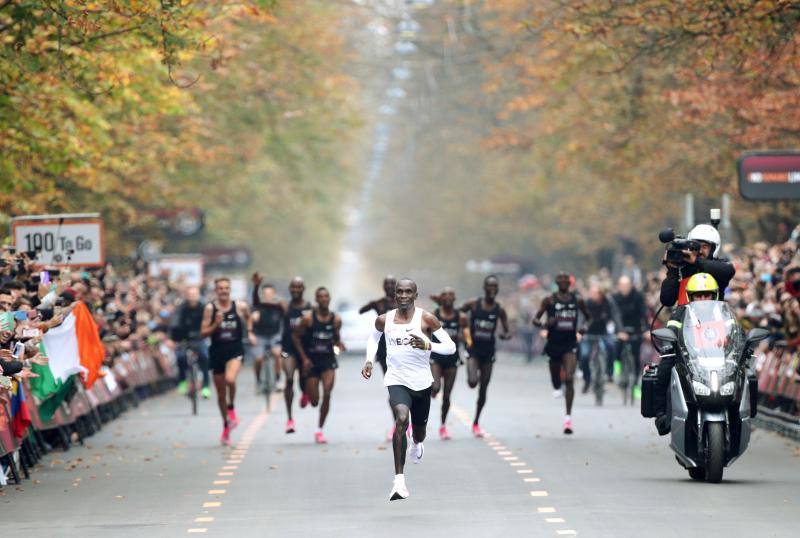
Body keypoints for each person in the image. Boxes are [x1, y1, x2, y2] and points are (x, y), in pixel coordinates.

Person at [361, 278, 455, 500]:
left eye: (407, 292)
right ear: (394, 295)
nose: (403, 296)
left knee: (419, 432)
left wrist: (428, 345)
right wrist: (368, 360)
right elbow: (374, 338)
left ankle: (417, 443)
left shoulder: (427, 319)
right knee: (401, 419)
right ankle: (399, 482)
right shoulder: (385, 320)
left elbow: (450, 348)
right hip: (397, 379)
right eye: (399, 292)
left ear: (415, 295)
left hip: (422, 383)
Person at [653, 273, 719, 435]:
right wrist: (668, 344)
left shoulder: (721, 313)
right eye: (699, 296)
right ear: (691, 297)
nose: (703, 299)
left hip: (718, 359)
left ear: (715, 295)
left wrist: (743, 344)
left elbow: (735, 333)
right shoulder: (680, 313)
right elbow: (671, 330)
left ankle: (741, 412)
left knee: (746, 374)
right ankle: (662, 415)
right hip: (688, 359)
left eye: (707, 295)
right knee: (664, 370)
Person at [533, 272, 591, 434]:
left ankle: (568, 419)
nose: (564, 282)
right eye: (561, 280)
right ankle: (557, 385)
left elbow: (589, 318)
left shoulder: (577, 300)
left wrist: (583, 330)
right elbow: (535, 320)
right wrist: (544, 326)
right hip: (553, 344)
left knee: (570, 378)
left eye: (567, 280)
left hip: (570, 343)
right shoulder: (549, 300)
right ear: (557, 282)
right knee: (556, 382)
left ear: (570, 283)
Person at [200, 277, 256, 445]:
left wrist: (251, 332)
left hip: (235, 350)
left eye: (226, 288)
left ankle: (231, 409)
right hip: (217, 351)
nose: (223, 291)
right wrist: (215, 325)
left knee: (230, 379)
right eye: (220, 288)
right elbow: (203, 333)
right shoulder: (210, 309)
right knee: (220, 394)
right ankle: (226, 426)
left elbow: (249, 317)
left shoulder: (239, 306)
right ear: (216, 291)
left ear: (230, 290)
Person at [252, 275, 311, 434]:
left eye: (299, 287)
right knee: (290, 380)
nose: (296, 290)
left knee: (304, 381)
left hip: (305, 349)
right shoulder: (284, 306)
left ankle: (305, 393)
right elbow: (257, 303)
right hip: (288, 347)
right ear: (290, 289)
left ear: (303, 289)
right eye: (293, 287)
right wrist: (256, 287)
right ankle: (290, 420)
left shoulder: (309, 307)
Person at [459, 275, 511, 437]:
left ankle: (476, 422)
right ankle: (472, 379)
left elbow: (507, 330)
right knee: (473, 382)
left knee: (483, 388)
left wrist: (505, 335)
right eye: (490, 286)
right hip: (473, 350)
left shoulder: (499, 309)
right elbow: (458, 312)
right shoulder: (474, 304)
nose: (492, 289)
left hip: (489, 351)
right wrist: (463, 327)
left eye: (495, 287)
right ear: (484, 287)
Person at [292, 287, 345, 444]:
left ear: (329, 299)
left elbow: (336, 339)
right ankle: (307, 393)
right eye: (320, 296)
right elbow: (296, 338)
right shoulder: (308, 319)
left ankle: (319, 430)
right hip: (312, 362)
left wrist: (339, 345)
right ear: (316, 299)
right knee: (315, 401)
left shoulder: (336, 319)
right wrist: (304, 359)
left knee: (327, 392)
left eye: (326, 296)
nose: (323, 299)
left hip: (328, 361)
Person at [359, 275, 398, 438]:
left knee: (406, 387)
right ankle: (398, 424)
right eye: (386, 284)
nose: (389, 286)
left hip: (403, 350)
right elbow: (361, 311)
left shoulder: (402, 302)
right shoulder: (379, 303)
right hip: (384, 352)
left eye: (392, 284)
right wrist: (371, 304)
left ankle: (406, 420)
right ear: (383, 286)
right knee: (393, 390)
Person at [429, 287, 471, 440]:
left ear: (454, 299)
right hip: (435, 356)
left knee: (447, 396)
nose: (448, 297)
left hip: (452, 358)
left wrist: (467, 343)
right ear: (441, 298)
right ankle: (433, 390)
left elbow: (467, 337)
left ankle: (443, 426)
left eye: (451, 295)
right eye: (444, 294)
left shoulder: (461, 317)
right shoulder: (434, 315)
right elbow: (425, 330)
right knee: (435, 386)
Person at [660, 224, 735, 308]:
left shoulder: (718, 267)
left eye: (705, 247)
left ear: (713, 249)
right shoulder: (683, 267)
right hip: (686, 319)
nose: (700, 251)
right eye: (696, 246)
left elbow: (729, 271)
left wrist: (696, 261)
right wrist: (672, 270)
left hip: (714, 318)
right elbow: (667, 300)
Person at [171, 286, 210, 399]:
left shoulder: (204, 308)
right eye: (190, 294)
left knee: (204, 357)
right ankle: (183, 381)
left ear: (198, 295)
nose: (192, 297)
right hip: (184, 338)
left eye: (195, 294)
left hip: (200, 338)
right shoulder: (181, 309)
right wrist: (174, 338)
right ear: (186, 296)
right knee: (181, 357)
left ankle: (205, 387)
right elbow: (174, 324)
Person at [579, 284, 619, 390]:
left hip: (603, 332)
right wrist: (579, 331)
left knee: (611, 347)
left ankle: (609, 374)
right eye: (591, 293)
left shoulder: (608, 303)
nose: (593, 295)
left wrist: (620, 330)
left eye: (595, 293)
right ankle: (587, 378)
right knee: (584, 355)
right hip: (588, 333)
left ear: (601, 294)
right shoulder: (586, 304)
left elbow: (615, 316)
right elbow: (581, 318)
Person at [251, 275, 284, 396]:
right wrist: (251, 331)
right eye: (265, 294)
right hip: (259, 336)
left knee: (277, 354)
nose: (267, 296)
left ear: (274, 294)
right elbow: (250, 318)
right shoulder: (258, 305)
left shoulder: (278, 306)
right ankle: (259, 381)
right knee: (258, 358)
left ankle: (278, 379)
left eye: (270, 293)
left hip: (274, 335)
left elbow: (286, 318)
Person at [612, 276, 648, 386]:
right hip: (620, 329)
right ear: (618, 286)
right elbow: (615, 315)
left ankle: (636, 378)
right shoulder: (614, 298)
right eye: (622, 285)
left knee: (636, 354)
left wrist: (646, 329)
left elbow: (644, 314)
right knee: (616, 349)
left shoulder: (638, 297)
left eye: (626, 285)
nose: (624, 288)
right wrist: (620, 330)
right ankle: (618, 370)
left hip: (635, 329)